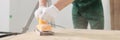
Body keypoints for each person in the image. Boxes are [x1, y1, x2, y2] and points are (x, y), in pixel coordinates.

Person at [35, 0, 104, 29]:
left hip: (94, 6)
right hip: (77, 7)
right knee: (79, 35)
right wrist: (41, 6)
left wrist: (54, 9)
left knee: (98, 35)